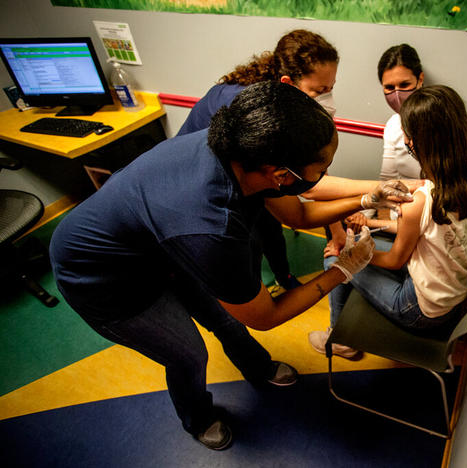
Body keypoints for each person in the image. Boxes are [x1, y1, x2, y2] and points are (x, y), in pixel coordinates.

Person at [50, 82, 411, 450]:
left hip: (160, 246)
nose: (325, 173)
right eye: (323, 166)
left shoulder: (244, 148)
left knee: (222, 317)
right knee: (188, 353)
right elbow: (265, 315)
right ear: (280, 173)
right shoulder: (212, 226)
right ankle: (198, 417)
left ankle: (258, 367)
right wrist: (343, 270)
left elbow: (300, 212)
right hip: (101, 277)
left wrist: (366, 198)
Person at [309, 85, 467, 358]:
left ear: (416, 142)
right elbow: (425, 232)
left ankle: (340, 341)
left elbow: (396, 260)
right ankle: (341, 332)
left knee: (333, 260)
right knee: (360, 244)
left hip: (418, 310)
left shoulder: (422, 200)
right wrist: (370, 226)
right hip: (451, 297)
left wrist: (350, 255)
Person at [178, 29, 339, 290]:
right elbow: (306, 195)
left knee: (270, 223)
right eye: (320, 90)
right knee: (249, 236)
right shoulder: (253, 110)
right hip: (198, 179)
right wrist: (369, 194)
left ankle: (283, 277)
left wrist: (339, 230)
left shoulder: (281, 99)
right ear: (288, 83)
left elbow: (315, 167)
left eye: (330, 89)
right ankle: (250, 295)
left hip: (240, 169)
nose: (326, 98)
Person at [327, 44, 424, 254]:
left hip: (419, 222)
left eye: (405, 84)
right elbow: (385, 181)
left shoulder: (437, 124)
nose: (397, 94)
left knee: (341, 254)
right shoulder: (392, 126)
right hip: (395, 215)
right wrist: (363, 215)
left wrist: (369, 224)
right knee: (338, 235)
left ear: (420, 80)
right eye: (389, 88)